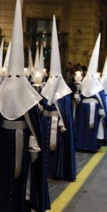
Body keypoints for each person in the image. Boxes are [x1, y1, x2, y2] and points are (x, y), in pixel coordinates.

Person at [0, 0, 50, 212]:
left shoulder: (30, 95)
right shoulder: (1, 92)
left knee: (21, 177)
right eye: (12, 75)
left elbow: (34, 123)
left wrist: (35, 142)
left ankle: (19, 211)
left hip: (23, 142)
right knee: (1, 174)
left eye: (20, 75)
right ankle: (0, 209)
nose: (16, 80)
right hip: (2, 142)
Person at [39, 16, 76, 181]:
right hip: (46, 122)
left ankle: (57, 170)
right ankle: (43, 169)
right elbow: (41, 105)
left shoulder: (64, 93)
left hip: (57, 126)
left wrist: (62, 123)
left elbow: (66, 112)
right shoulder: (46, 88)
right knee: (44, 147)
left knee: (56, 149)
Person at [74, 34, 107, 152]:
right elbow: (79, 99)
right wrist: (77, 96)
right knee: (82, 126)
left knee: (92, 128)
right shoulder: (84, 83)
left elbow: (101, 99)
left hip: (94, 107)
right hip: (83, 108)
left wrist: (101, 110)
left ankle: (91, 145)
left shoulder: (98, 87)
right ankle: (81, 144)